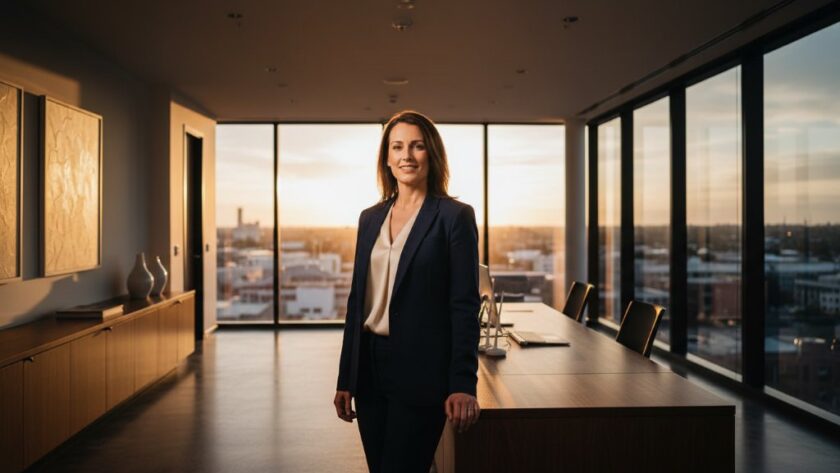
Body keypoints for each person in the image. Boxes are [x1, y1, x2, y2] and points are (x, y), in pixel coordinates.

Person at [333, 110, 481, 473]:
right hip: (370, 369)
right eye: (397, 147)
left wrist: (463, 382)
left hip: (422, 372)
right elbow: (358, 303)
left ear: (432, 153)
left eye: (416, 146)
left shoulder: (454, 217)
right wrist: (345, 378)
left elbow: (463, 305)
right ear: (386, 158)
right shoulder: (370, 218)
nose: (407, 156)